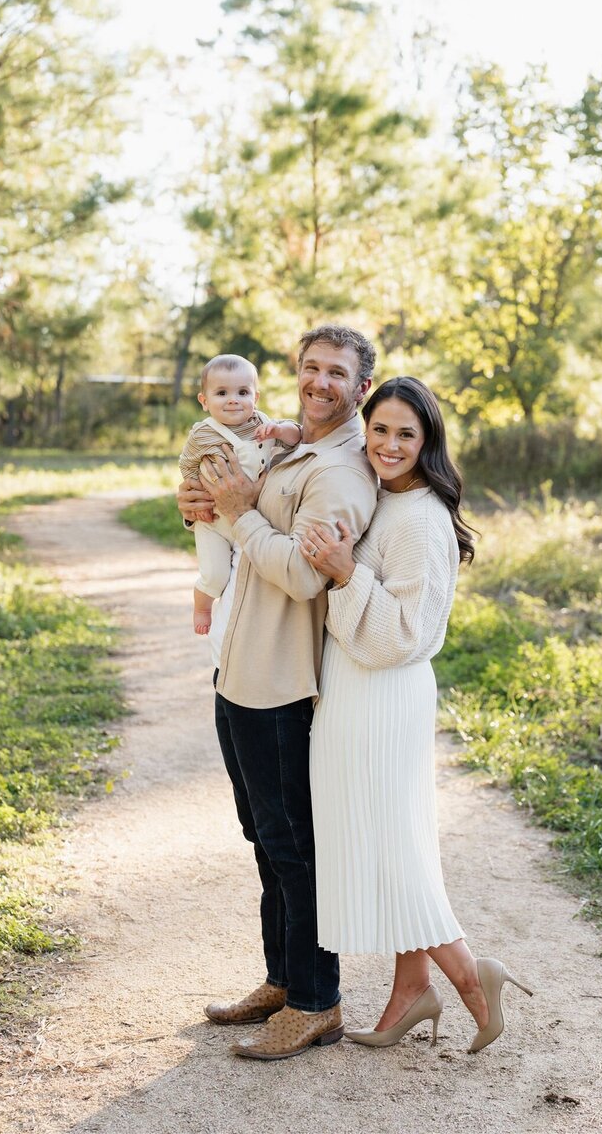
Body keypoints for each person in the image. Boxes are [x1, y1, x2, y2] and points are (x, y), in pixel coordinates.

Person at [300, 377, 532, 1053]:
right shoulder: (385, 500)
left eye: (407, 433)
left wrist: (347, 575)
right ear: (363, 431)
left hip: (383, 698)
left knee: (393, 850)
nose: (390, 445)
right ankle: (411, 992)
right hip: (355, 695)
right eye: (380, 430)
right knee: (393, 842)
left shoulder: (423, 518)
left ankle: (468, 978)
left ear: (427, 441)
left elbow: (404, 636)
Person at [176, 325, 378, 1061]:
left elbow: (300, 575)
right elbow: (229, 509)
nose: (319, 382)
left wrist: (235, 512)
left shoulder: (343, 471)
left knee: (293, 846)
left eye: (337, 374)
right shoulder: (290, 445)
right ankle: (282, 978)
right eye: (310, 368)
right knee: (263, 838)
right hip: (239, 669)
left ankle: (317, 1001)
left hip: (284, 683)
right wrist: (199, 503)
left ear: (360, 389)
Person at [178, 353, 301, 635]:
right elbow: (187, 463)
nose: (233, 399)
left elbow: (297, 436)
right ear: (204, 401)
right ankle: (202, 604)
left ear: (255, 397)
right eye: (222, 393)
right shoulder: (203, 434)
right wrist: (196, 492)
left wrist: (280, 429)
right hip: (214, 519)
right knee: (215, 575)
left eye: (242, 392)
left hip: (254, 520)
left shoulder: (263, 424)